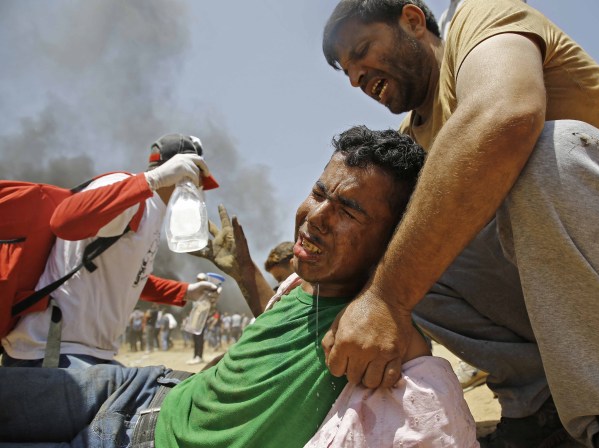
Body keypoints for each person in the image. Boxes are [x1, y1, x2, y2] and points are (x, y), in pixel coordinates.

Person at [0, 125, 479, 448]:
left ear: (396, 236)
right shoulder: (300, 283)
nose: (315, 218)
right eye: (318, 193)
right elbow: (274, 322)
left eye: (349, 211)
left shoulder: (379, 335)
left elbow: (431, 418)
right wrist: (243, 269)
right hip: (142, 385)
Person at [322, 1, 599, 447]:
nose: (356, 78)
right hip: (571, 308)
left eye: (362, 50)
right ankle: (540, 404)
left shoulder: (482, 16)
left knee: (545, 151)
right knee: (400, 241)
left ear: (413, 21)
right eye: (347, 72)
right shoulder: (411, 142)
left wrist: (388, 297)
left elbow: (507, 115)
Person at [0, 133, 221, 368]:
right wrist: (152, 179)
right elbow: (64, 221)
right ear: (184, 172)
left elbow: (129, 277)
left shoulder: (153, 211)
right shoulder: (129, 193)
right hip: (51, 349)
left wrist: (187, 292)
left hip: (88, 352)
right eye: (200, 180)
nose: (200, 190)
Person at [186, 272, 223, 365]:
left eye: (200, 280)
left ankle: (198, 356)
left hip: (202, 317)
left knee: (199, 337)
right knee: (196, 337)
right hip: (196, 315)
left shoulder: (207, 291)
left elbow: (213, 300)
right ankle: (196, 356)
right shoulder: (197, 290)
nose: (199, 281)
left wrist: (217, 290)